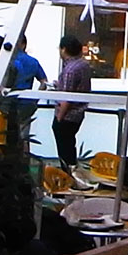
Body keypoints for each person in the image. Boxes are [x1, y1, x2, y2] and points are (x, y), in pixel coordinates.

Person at [0, 33, 48, 153]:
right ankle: (21, 162)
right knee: (20, 138)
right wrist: (34, 98)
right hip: (18, 106)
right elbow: (43, 81)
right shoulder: (19, 64)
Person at [51, 35, 92, 170]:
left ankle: (67, 175)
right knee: (70, 145)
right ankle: (72, 173)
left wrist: (59, 117)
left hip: (68, 114)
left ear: (64, 49)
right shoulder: (83, 65)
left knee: (64, 148)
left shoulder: (70, 69)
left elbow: (66, 97)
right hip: (78, 113)